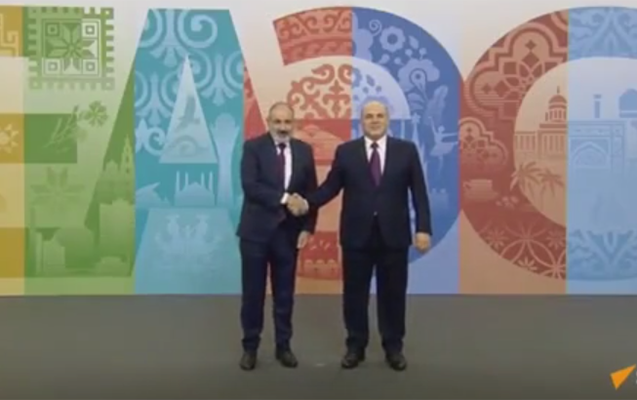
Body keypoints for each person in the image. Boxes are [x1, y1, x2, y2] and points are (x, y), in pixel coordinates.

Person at [287, 100, 431, 371]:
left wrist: (423, 228)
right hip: (356, 236)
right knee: (354, 295)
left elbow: (419, 193)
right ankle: (355, 346)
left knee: (393, 295)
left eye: (379, 116)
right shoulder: (346, 152)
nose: (374, 120)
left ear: (387, 120)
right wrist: (306, 203)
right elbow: (330, 188)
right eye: (369, 116)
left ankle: (393, 347)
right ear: (361, 121)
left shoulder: (406, 150)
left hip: (394, 236)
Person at [236, 102, 318, 370]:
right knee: (253, 295)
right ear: (269, 122)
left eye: (287, 122)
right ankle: (250, 347)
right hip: (255, 235)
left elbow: (311, 192)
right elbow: (250, 186)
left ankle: (284, 346)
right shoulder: (253, 148)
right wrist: (284, 199)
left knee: (285, 295)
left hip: (288, 235)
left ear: (293, 124)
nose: (283, 127)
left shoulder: (304, 151)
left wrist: (308, 227)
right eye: (278, 122)